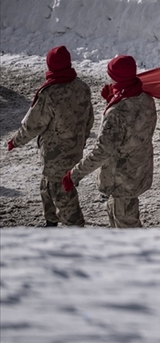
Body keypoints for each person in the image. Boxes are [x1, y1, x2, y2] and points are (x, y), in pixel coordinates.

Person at [62, 55, 157, 228]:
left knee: (127, 228)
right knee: (119, 217)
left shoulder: (117, 112)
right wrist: (113, 100)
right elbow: (133, 126)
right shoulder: (146, 98)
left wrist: (74, 174)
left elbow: (102, 152)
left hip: (121, 177)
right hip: (139, 169)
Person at [7, 46, 93, 227]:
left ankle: (77, 230)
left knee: (62, 192)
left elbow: (33, 124)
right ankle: (51, 222)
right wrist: (82, 140)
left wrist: (16, 141)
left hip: (55, 154)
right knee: (47, 186)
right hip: (74, 148)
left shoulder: (50, 94)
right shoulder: (82, 87)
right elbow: (89, 119)